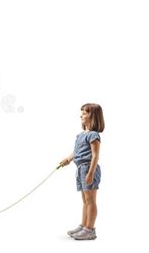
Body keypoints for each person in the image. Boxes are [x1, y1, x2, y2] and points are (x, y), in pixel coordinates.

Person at [60, 103, 105, 240]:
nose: (81, 115)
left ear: (93, 117)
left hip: (88, 168)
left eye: (85, 113)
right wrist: (68, 159)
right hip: (80, 169)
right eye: (82, 113)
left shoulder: (93, 135)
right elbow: (77, 151)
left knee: (90, 200)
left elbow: (95, 155)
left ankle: (89, 230)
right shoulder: (81, 135)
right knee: (85, 200)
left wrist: (90, 173)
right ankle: (84, 225)